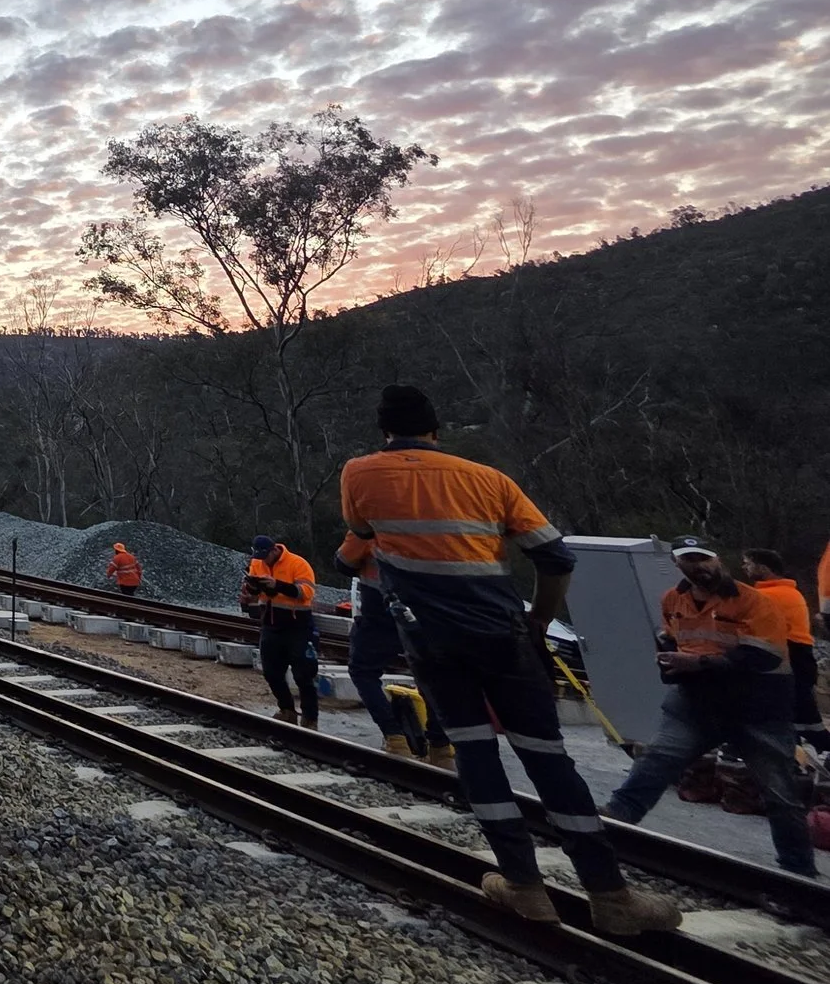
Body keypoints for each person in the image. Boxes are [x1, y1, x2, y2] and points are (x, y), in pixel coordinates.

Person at [339, 384, 679, 934]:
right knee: (547, 755)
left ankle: (523, 885)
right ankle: (610, 895)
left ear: (384, 430)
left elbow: (357, 542)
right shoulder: (488, 479)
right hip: (502, 633)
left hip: (432, 641)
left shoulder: (359, 473)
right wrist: (540, 619)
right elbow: (554, 555)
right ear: (436, 428)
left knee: (475, 753)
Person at [602, 540, 820, 877]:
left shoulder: (754, 601)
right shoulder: (674, 600)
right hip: (697, 703)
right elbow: (671, 636)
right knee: (656, 761)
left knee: (780, 792)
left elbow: (763, 656)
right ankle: (610, 828)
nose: (700, 566)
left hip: (759, 707)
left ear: (718, 560)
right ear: (678, 565)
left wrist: (698, 664)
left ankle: (798, 871)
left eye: (704, 559)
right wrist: (671, 659)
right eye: (690, 560)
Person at [337, 530, 452, 765]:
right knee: (431, 674)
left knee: (362, 670)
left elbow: (344, 562)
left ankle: (396, 738)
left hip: (381, 610)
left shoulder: (371, 522)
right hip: (426, 609)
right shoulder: (429, 519)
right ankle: (440, 746)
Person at [743, 547, 826, 746]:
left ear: (762, 568)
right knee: (800, 713)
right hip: (797, 656)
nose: (744, 567)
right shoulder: (788, 592)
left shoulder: (767, 596)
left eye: (748, 563)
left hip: (787, 656)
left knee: (798, 714)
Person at [244, 535, 321, 727]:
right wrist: (252, 587)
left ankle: (310, 717)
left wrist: (277, 585)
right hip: (270, 624)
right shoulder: (257, 563)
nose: (263, 560)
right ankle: (286, 710)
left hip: (298, 627)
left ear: (274, 550)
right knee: (271, 672)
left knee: (303, 674)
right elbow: (255, 593)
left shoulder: (297, 563)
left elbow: (306, 592)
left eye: (265, 556)